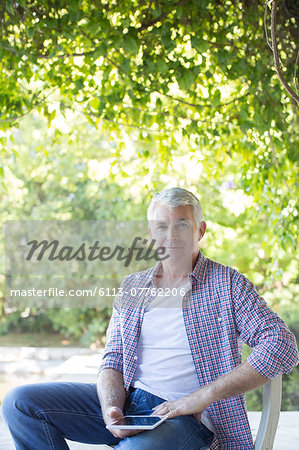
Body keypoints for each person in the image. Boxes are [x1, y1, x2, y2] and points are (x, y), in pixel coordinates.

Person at [2, 187, 299, 450]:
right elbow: (113, 359)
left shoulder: (228, 283)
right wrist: (112, 410)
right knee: (20, 404)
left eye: (182, 225)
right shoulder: (134, 286)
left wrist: (200, 398)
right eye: (161, 227)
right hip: (131, 403)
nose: (170, 237)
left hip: (189, 419)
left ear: (201, 230)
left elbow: (283, 345)